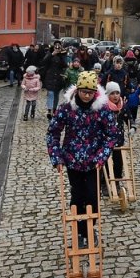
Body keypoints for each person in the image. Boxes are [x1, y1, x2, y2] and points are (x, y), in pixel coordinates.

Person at [46, 71, 118, 247]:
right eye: (84, 91)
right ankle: (79, 231)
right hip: (72, 159)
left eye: (90, 92)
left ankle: (89, 228)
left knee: (93, 196)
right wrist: (57, 157)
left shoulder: (102, 109)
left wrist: (102, 156)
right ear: (77, 90)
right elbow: (53, 133)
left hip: (94, 161)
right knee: (77, 196)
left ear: (95, 92)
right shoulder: (66, 108)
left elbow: (111, 135)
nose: (87, 95)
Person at [103, 81, 125, 192]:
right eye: (112, 93)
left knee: (118, 162)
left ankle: (116, 181)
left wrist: (133, 127)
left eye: (117, 93)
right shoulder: (104, 107)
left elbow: (129, 117)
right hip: (106, 140)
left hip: (119, 139)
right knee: (105, 161)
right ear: (108, 95)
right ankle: (105, 183)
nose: (115, 96)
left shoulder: (122, 105)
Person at [39, 42, 68, 120]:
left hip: (59, 77)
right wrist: (52, 54)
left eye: (59, 47)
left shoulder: (63, 54)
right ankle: (49, 110)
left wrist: (61, 55)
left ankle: (54, 110)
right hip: (50, 76)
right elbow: (43, 62)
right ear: (54, 46)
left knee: (56, 94)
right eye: (56, 47)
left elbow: (65, 65)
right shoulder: (49, 53)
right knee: (50, 93)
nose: (57, 48)